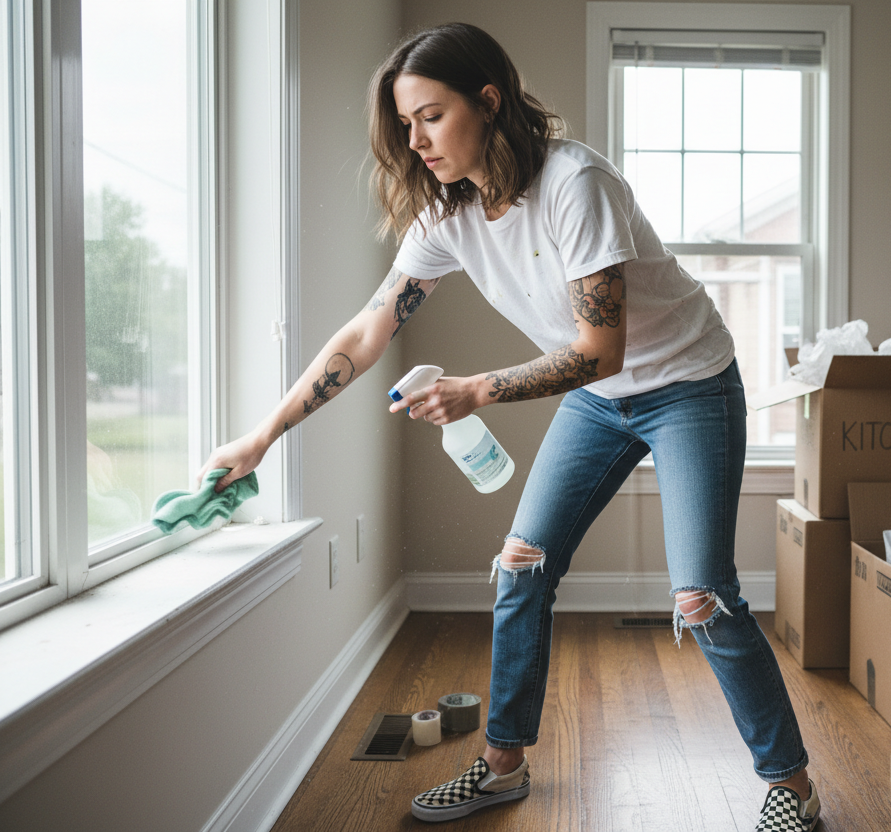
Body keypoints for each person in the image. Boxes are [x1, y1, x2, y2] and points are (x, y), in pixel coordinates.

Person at [201, 22, 820, 832]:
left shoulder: (575, 184)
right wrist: (263, 436)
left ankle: (791, 785)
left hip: (688, 386)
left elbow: (599, 350)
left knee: (701, 595)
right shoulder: (446, 216)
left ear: (488, 101)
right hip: (600, 399)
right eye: (405, 124)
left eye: (431, 116)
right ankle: (502, 767)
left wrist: (477, 390)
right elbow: (366, 332)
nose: (415, 141)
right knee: (522, 564)